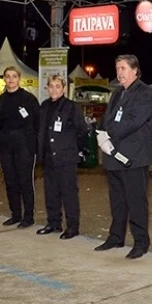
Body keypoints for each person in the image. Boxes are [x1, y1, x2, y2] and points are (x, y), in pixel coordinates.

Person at [94, 54, 152, 259]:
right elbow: (106, 118)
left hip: (133, 158)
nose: (119, 72)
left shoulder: (143, 93)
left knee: (136, 202)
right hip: (113, 156)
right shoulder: (118, 92)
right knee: (117, 200)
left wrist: (108, 133)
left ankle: (141, 242)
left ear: (135, 70)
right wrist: (100, 131)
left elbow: (134, 121)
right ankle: (116, 237)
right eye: (117, 68)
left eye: (123, 68)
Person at [36, 75, 88, 240]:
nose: (54, 89)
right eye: (51, 86)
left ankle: (72, 227)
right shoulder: (44, 106)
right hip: (48, 157)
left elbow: (82, 131)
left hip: (66, 157)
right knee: (51, 192)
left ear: (64, 88)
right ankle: (53, 223)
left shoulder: (71, 107)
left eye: (58, 86)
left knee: (68, 193)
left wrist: (74, 149)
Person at [0, 66, 40, 228]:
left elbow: (37, 122)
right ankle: (15, 214)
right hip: (6, 146)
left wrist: (33, 144)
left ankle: (28, 216)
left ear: (19, 79)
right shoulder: (0, 101)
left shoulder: (28, 99)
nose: (11, 79)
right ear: (4, 79)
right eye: (8, 76)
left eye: (14, 76)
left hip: (24, 145)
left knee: (25, 181)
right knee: (10, 181)